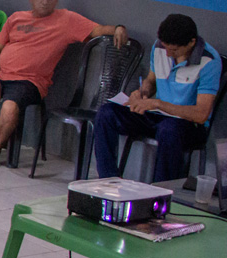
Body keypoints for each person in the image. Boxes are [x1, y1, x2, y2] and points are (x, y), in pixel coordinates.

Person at [0, 0, 126, 169]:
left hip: (29, 82)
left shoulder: (67, 20)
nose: (45, 1)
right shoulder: (16, 18)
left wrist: (118, 28)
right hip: (0, 75)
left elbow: (98, 30)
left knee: (9, 108)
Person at [93, 14, 220, 181]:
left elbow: (201, 114)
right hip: (156, 116)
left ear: (191, 42)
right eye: (165, 47)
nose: (167, 53)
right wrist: (143, 92)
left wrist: (159, 104)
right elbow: (151, 80)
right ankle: (108, 180)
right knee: (106, 113)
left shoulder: (209, 61)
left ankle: (161, 193)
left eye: (173, 50)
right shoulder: (160, 47)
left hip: (188, 125)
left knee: (169, 130)